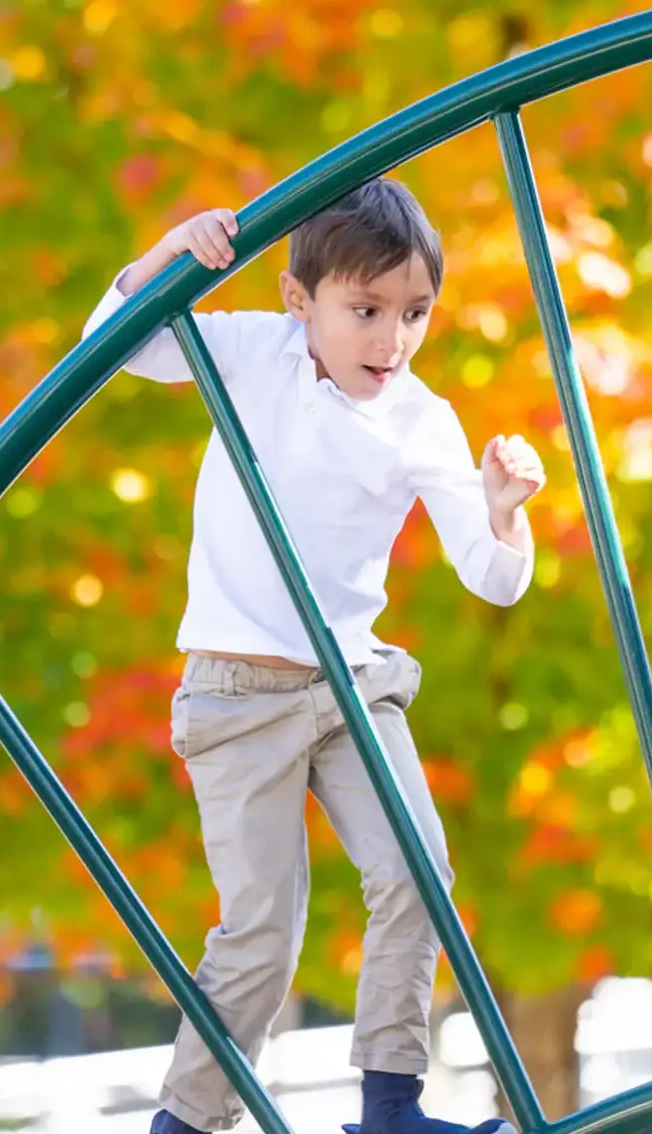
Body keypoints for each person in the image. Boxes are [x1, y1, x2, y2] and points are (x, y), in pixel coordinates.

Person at [83, 178, 545, 1134]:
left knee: (420, 871)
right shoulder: (259, 352)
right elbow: (113, 345)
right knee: (261, 931)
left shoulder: (422, 418)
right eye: (366, 310)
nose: (394, 339)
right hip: (238, 691)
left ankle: (390, 1103)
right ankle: (186, 1121)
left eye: (415, 312)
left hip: (348, 684)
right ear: (302, 301)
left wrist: (504, 512)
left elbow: (490, 575)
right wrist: (173, 248)